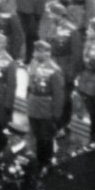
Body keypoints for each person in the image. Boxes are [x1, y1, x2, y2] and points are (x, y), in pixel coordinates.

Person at [25, 39, 65, 173]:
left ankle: (46, 163)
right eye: (35, 51)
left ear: (48, 53)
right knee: (37, 135)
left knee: (45, 138)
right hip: (34, 105)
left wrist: (56, 115)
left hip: (45, 108)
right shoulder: (33, 64)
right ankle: (39, 162)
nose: (36, 54)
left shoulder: (54, 70)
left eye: (39, 51)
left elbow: (59, 96)